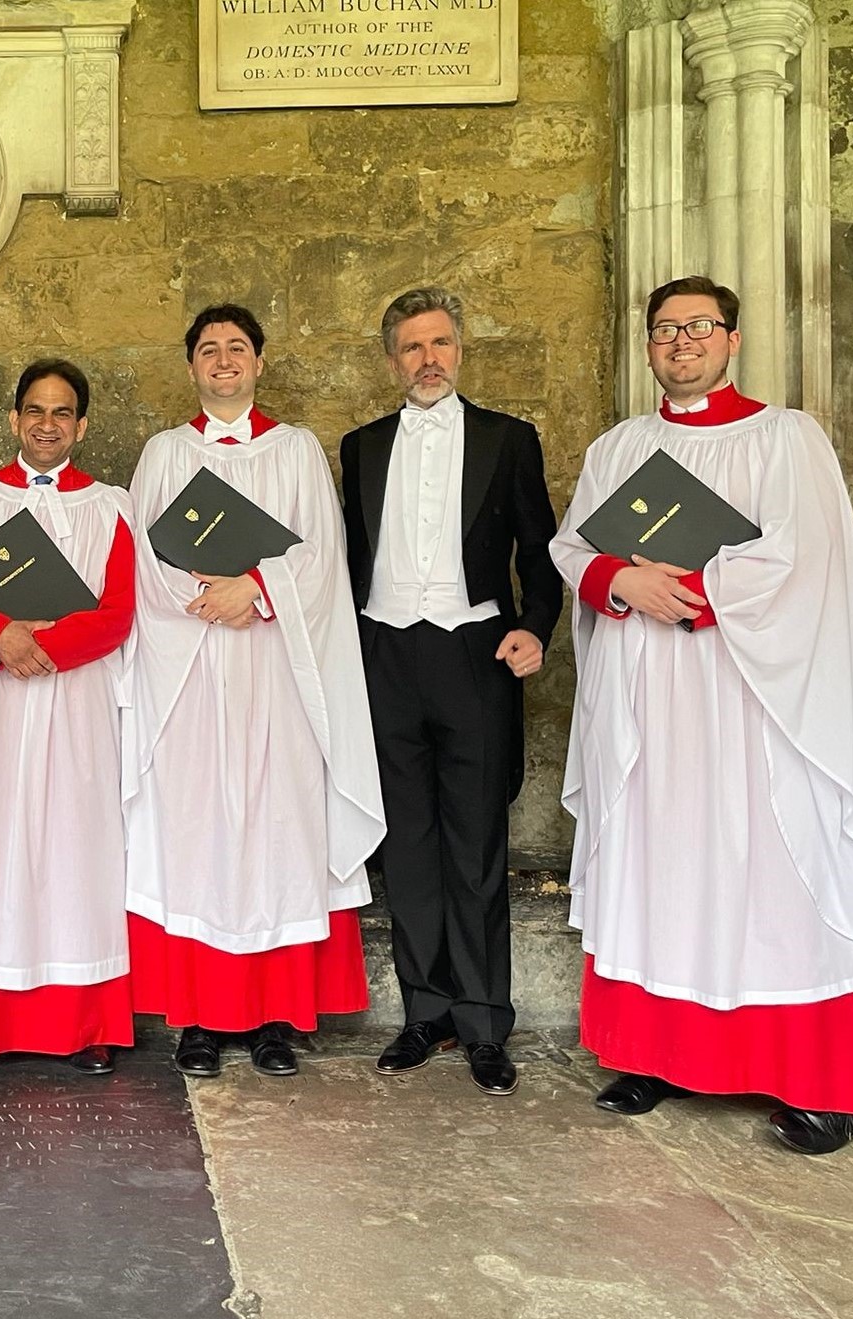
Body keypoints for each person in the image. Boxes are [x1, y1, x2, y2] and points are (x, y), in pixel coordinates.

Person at [550, 275, 853, 1153]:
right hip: (646, 695)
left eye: (698, 327)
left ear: (731, 339)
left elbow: (804, 561)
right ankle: (654, 1055)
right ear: (646, 346)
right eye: (664, 329)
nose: (680, 342)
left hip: (751, 699)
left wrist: (697, 589)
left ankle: (820, 1081)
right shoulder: (617, 447)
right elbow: (573, 545)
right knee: (656, 861)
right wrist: (616, 578)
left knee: (772, 872)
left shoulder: (785, 439)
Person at [125, 304, 386, 1078]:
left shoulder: (296, 449)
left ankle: (276, 1017)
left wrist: (258, 590)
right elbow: (142, 558)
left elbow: (320, 553)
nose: (224, 360)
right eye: (209, 350)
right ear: (191, 367)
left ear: (260, 362)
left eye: (237, 347)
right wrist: (206, 602)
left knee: (278, 828)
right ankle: (200, 1017)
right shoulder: (164, 453)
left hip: (279, 670)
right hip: (194, 674)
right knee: (198, 831)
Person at [339, 288, 562, 1097]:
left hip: (475, 652)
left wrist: (534, 624)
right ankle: (422, 1013)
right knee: (407, 847)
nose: (426, 358)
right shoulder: (359, 446)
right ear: (390, 358)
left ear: (459, 350)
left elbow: (539, 553)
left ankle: (481, 1020)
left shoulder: (508, 439)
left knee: (474, 846)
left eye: (439, 343)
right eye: (410, 346)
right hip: (384, 655)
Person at [0, 360, 137, 1077]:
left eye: (62, 412)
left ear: (82, 425)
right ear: (12, 420)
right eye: (35, 410)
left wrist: (44, 645)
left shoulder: (111, 506)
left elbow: (119, 609)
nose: (47, 424)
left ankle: (83, 1021)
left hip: (72, 705)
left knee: (72, 852)